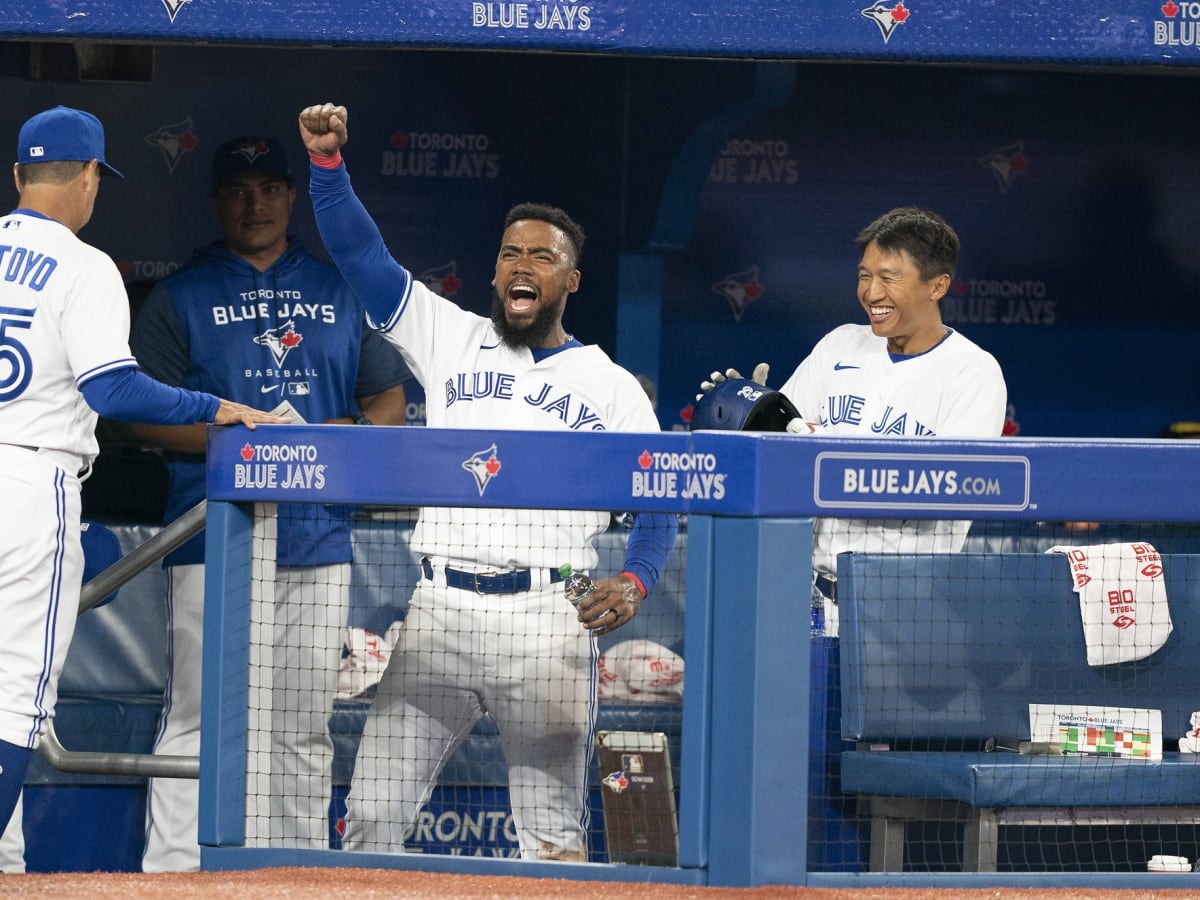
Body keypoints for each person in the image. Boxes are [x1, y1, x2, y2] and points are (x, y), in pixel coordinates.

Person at [297, 101, 678, 860]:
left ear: (570, 277)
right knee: (370, 819)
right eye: (510, 254)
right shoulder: (451, 338)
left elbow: (662, 495)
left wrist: (636, 579)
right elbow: (362, 259)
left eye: (540, 256)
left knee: (551, 841)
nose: (521, 266)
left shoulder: (610, 385)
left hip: (548, 616)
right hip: (438, 611)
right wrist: (328, 167)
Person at [0, 105, 285, 846]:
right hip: (30, 485)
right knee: (11, 703)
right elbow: (115, 390)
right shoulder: (84, 263)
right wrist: (218, 406)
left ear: (18, 176)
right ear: (90, 176)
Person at [128, 134, 412, 871]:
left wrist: (333, 439)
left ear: (290, 195)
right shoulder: (180, 295)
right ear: (217, 202)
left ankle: (289, 876)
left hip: (317, 538)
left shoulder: (338, 288)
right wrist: (237, 442)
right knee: (199, 715)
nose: (254, 203)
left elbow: (388, 400)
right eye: (237, 190)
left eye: (267, 188)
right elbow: (134, 415)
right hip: (210, 534)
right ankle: (174, 878)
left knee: (302, 724)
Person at [702, 206, 1007, 635]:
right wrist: (753, 422)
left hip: (905, 613)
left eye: (889, 277)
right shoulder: (839, 346)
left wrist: (828, 453)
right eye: (864, 276)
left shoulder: (973, 372)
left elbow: (952, 489)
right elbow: (782, 451)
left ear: (938, 284)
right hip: (811, 599)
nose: (871, 292)